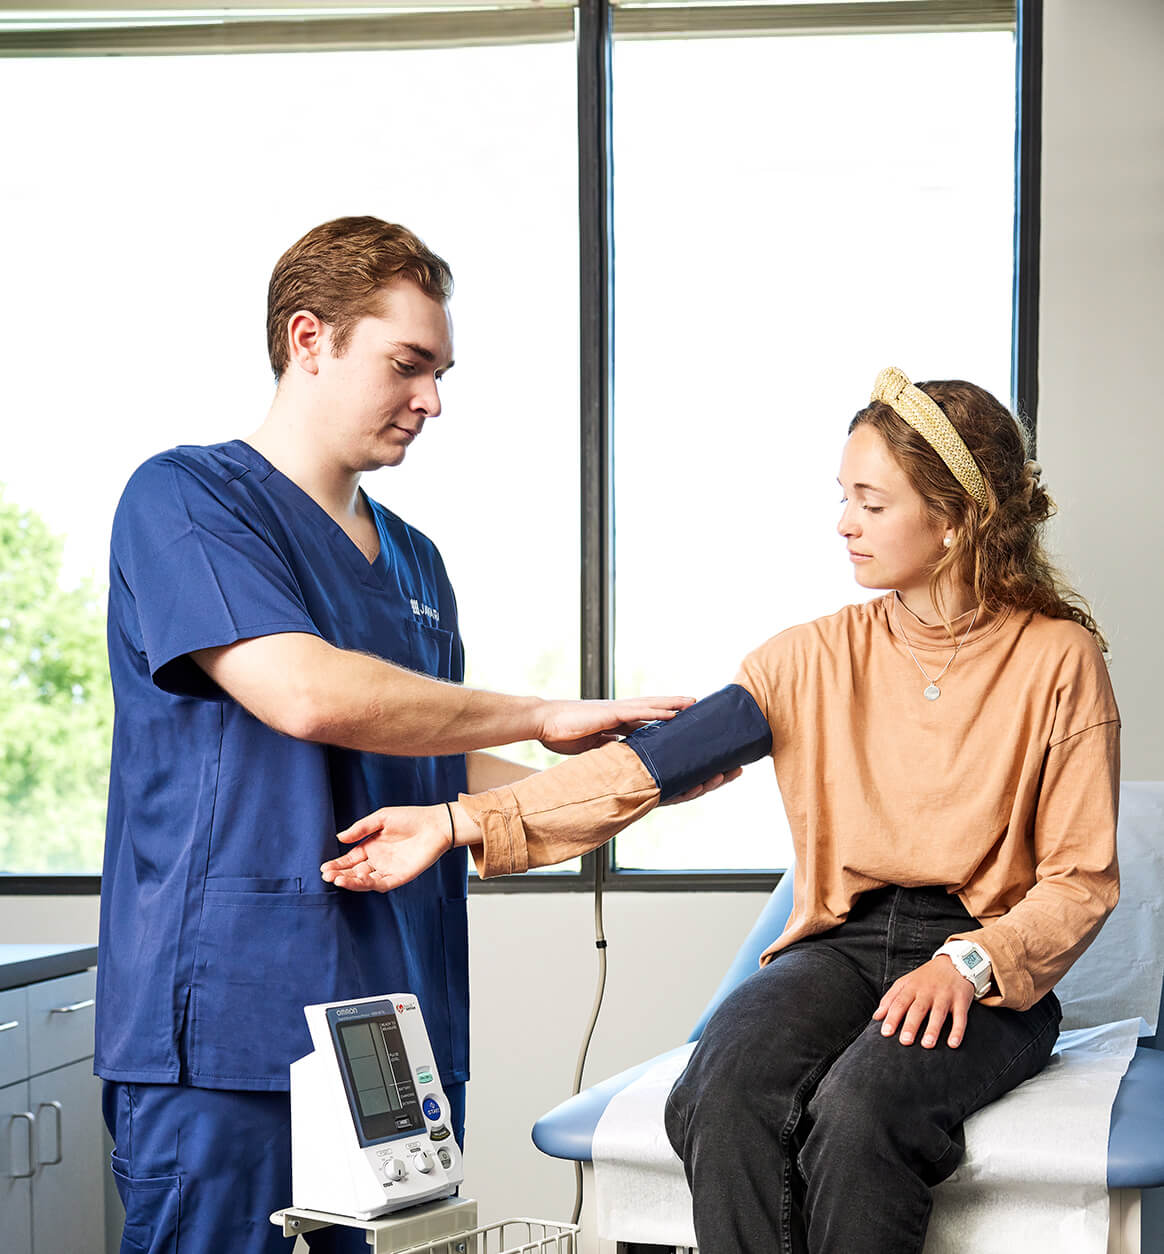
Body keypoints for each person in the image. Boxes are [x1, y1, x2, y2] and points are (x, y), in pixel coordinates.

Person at [321, 367, 1121, 1254]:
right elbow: (642, 770)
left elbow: (1080, 880)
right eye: (842, 496)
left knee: (860, 1115)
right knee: (719, 1086)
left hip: (982, 959)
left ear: (957, 520)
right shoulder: (808, 659)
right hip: (841, 946)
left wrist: (969, 965)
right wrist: (455, 821)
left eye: (871, 501)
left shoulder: (1059, 659)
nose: (843, 522)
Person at [96, 215, 694, 1254]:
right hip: (234, 1035)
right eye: (408, 364)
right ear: (309, 338)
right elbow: (305, 693)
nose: (433, 400)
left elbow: (435, 752)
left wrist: (627, 783)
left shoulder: (418, 565)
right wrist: (546, 714)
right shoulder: (184, 498)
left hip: (399, 1038)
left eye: (442, 371)